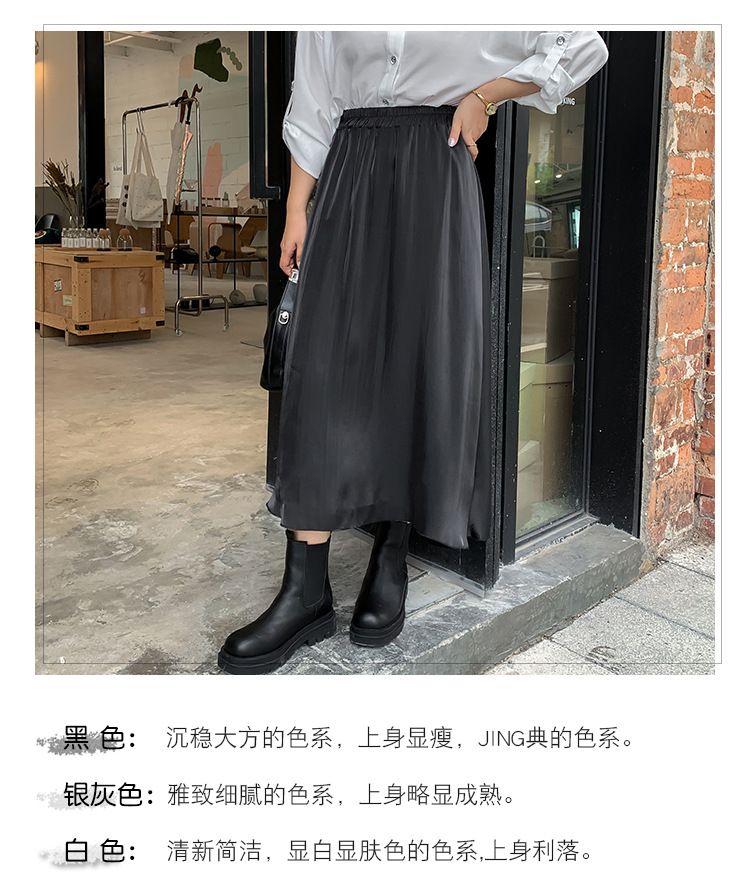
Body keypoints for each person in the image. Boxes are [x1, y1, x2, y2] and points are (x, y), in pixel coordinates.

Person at [218, 30, 609, 675]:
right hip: (349, 168)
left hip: (436, 165)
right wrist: (296, 209)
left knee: (416, 363)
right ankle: (304, 589)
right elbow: (312, 102)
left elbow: (582, 47)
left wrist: (486, 96)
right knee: (323, 374)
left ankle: (392, 552)